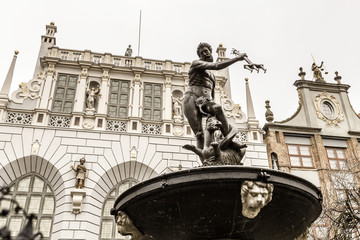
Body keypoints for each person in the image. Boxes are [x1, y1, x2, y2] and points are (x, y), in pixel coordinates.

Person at [183, 42, 247, 148]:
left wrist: (210, 114)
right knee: (199, 135)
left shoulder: (212, 76)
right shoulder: (196, 63)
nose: (205, 54)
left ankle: (229, 139)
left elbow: (211, 95)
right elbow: (216, 66)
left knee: (217, 108)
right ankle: (205, 162)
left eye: (206, 51)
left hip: (205, 101)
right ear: (199, 56)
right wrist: (237, 59)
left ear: (210, 52)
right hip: (191, 99)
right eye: (201, 53)